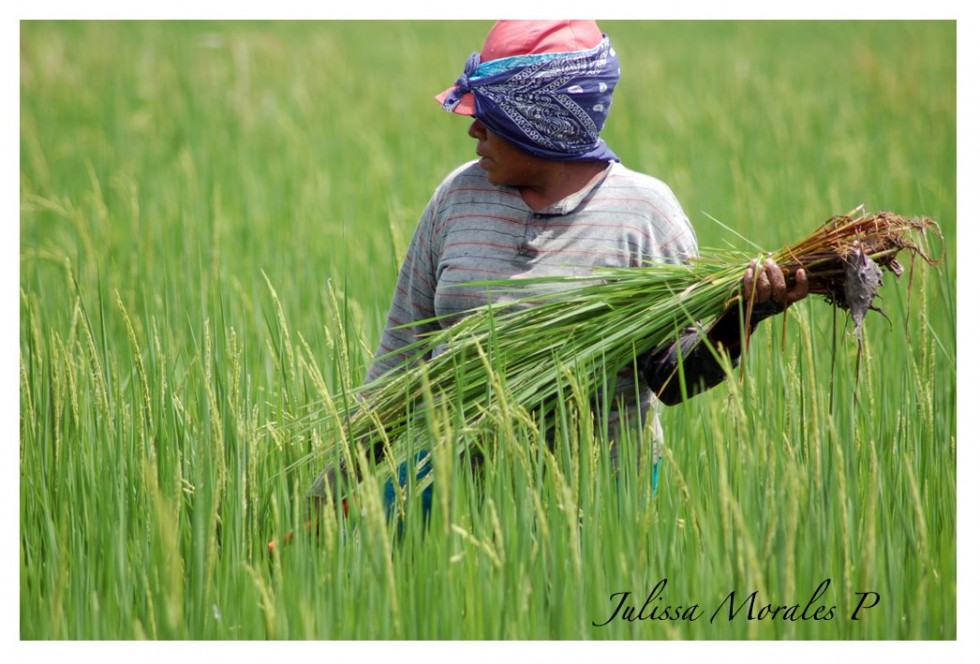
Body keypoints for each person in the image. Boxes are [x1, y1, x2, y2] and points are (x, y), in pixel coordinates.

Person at [303, 20, 807, 527]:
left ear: (541, 123)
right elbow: (400, 360)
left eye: (491, 116)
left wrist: (745, 315)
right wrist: (329, 491)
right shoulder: (457, 199)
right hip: (454, 512)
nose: (473, 128)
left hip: (595, 517)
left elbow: (673, 379)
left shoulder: (645, 215)